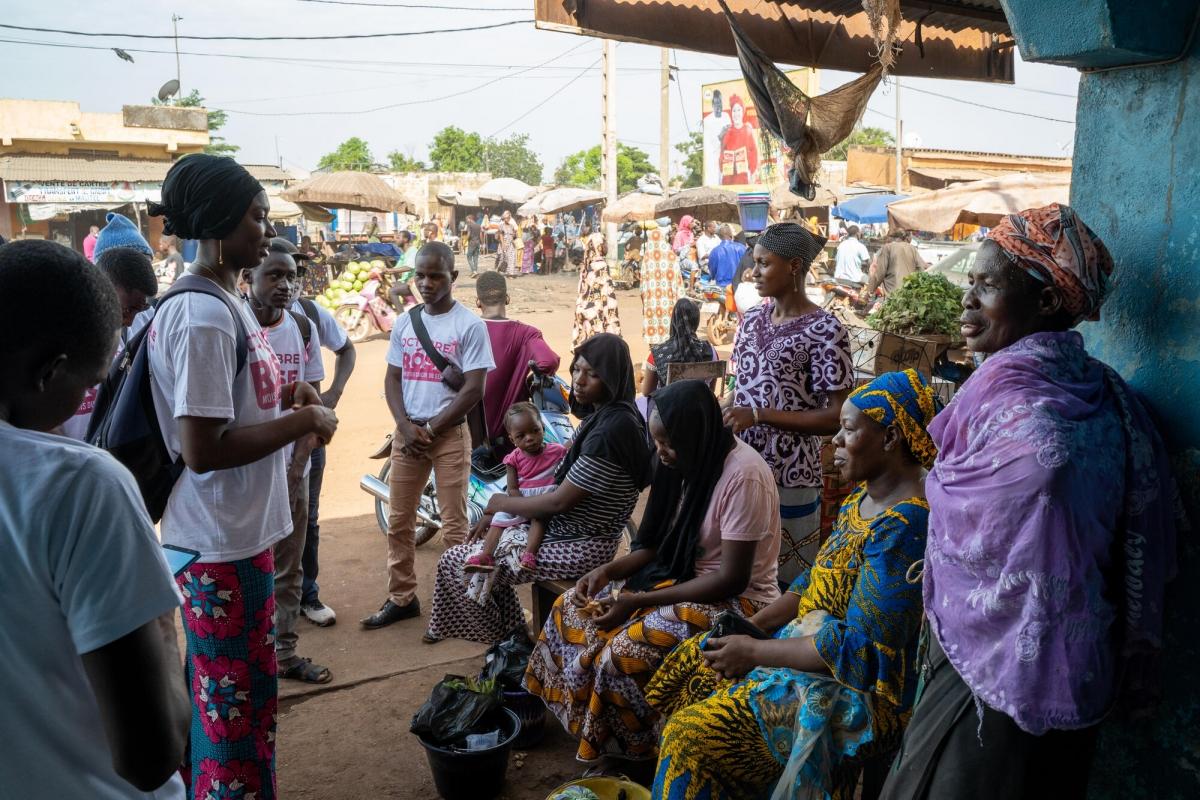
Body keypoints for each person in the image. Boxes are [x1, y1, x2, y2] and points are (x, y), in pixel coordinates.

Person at [881, 205, 1181, 800]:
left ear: (1046, 304)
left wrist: (921, 478)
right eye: (971, 284)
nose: (967, 303)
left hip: (1001, 666)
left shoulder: (1035, 420)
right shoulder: (1098, 389)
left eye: (987, 286)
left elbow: (985, 499)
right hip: (1074, 660)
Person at [648, 370, 939, 800]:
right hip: (810, 647)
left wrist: (755, 651)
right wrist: (753, 628)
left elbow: (859, 650)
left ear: (891, 437)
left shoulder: (906, 524)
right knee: (691, 665)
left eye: (847, 430)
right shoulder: (864, 499)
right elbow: (812, 581)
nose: (834, 443)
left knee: (690, 736)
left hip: (858, 689)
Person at [144, 155, 338, 797]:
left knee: (239, 703)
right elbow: (203, 447)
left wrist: (287, 398)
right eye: (257, 217)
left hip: (238, 536)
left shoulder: (224, 301)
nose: (264, 229)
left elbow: (229, 404)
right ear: (221, 222)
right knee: (236, 719)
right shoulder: (201, 315)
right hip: (219, 544)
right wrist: (307, 420)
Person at [0, 240, 190, 798]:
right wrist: (159, 618)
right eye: (88, 384)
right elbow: (151, 754)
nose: (87, 399)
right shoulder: (81, 484)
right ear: (48, 371)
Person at [527, 379, 781, 767]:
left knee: (623, 655)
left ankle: (637, 755)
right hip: (676, 576)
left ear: (695, 436)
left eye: (668, 444)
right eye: (656, 441)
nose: (660, 452)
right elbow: (654, 545)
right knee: (570, 608)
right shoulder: (680, 463)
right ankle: (589, 728)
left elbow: (731, 578)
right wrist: (607, 570)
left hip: (735, 600)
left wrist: (637, 601)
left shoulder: (743, 477)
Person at [425, 334, 652, 643]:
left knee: (458, 562)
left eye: (593, 374)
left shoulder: (611, 432)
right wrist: (501, 513)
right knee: (477, 558)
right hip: (563, 533)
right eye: (577, 370)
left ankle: (506, 642)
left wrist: (498, 503)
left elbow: (557, 503)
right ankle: (513, 639)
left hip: (581, 545)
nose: (579, 380)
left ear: (613, 378)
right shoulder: (605, 418)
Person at [364, 241, 495, 630]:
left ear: (452, 278)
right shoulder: (405, 323)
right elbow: (392, 378)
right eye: (420, 274)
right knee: (401, 520)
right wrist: (404, 426)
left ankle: (457, 605)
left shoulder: (469, 325)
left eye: (436, 275)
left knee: (454, 524)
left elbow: (475, 389)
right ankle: (402, 597)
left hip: (449, 434)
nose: (426, 282)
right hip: (408, 434)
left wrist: (432, 428)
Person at [723, 223, 853, 582]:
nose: (753, 272)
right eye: (755, 262)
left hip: (791, 474)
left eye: (765, 263)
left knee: (781, 580)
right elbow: (745, 386)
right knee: (737, 574)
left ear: (794, 267)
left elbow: (837, 416)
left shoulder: (826, 330)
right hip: (739, 468)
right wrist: (723, 405)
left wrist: (758, 415)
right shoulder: (751, 320)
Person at [243, 241, 332, 684]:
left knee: (289, 564)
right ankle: (250, 653)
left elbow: (310, 402)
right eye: (272, 275)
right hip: (245, 469)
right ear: (249, 280)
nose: (284, 284)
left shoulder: (301, 326)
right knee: (247, 564)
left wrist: (298, 465)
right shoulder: (234, 326)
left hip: (293, 466)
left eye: (289, 276)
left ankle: (285, 653)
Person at [286, 244, 358, 628]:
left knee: (308, 515)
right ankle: (275, 599)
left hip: (309, 437)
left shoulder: (311, 315)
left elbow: (347, 350)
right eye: (281, 271)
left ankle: (306, 594)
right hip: (266, 439)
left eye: (296, 272)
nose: (291, 281)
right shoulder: (244, 315)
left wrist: (333, 394)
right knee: (269, 517)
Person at [61, 236, 158, 441]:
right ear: (104, 285)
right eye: (128, 309)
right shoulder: (63, 333)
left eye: (138, 311)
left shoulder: (120, 337)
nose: (130, 321)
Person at [464, 402, 567, 574]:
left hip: (545, 498)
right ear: (512, 439)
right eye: (521, 436)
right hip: (520, 499)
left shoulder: (558, 451)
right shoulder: (513, 459)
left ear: (542, 427)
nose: (530, 438)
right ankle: (486, 555)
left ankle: (529, 555)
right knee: (499, 518)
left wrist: (533, 507)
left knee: (539, 519)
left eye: (535, 430)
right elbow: (512, 488)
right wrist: (522, 505)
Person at [476, 271, 560, 453]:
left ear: (478, 302)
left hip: (469, 441)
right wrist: (527, 381)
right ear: (507, 299)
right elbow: (549, 361)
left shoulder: (464, 330)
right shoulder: (526, 333)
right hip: (511, 440)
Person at [641, 297, 715, 397]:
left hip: (669, 410)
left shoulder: (657, 353)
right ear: (696, 322)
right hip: (701, 409)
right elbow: (711, 390)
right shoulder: (710, 351)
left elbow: (647, 392)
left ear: (673, 321)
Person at [572, 236, 621, 349]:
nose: (606, 246)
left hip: (584, 312)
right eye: (603, 244)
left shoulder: (586, 266)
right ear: (598, 246)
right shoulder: (601, 265)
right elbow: (607, 295)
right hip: (596, 313)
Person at [864, 227, 925, 299]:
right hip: (909, 294)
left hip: (892, 295)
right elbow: (921, 268)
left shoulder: (887, 248)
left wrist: (869, 291)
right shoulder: (912, 248)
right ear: (906, 237)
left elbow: (879, 274)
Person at [720, 94, 759, 185]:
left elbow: (754, 153)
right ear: (731, 113)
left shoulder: (747, 130)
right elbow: (722, 154)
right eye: (734, 111)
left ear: (743, 112)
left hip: (743, 180)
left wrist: (751, 171)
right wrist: (725, 164)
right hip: (727, 181)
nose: (736, 114)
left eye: (738, 110)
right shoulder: (727, 132)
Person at [703, 89, 730, 185]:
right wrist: (721, 134)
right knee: (716, 183)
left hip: (727, 157)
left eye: (720, 104)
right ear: (712, 106)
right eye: (716, 104)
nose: (719, 107)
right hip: (713, 159)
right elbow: (709, 143)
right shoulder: (707, 121)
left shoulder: (726, 116)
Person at [497, 210, 518, 275]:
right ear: (503, 218)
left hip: (511, 243)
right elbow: (500, 235)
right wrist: (503, 244)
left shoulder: (511, 226)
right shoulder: (501, 225)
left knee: (512, 257)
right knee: (503, 258)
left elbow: (514, 234)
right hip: (504, 243)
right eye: (506, 218)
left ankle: (511, 273)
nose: (507, 219)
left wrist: (514, 235)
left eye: (508, 218)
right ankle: (500, 270)